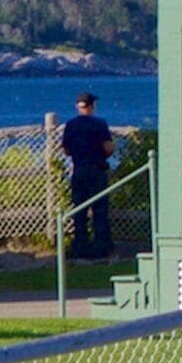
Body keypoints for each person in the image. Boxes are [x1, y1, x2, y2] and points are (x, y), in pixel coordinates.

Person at [60, 90, 119, 261]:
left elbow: (66, 150)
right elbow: (108, 148)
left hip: (78, 170)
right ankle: (101, 247)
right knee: (100, 211)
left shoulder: (70, 125)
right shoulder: (99, 124)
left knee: (79, 210)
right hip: (96, 170)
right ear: (92, 106)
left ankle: (80, 246)